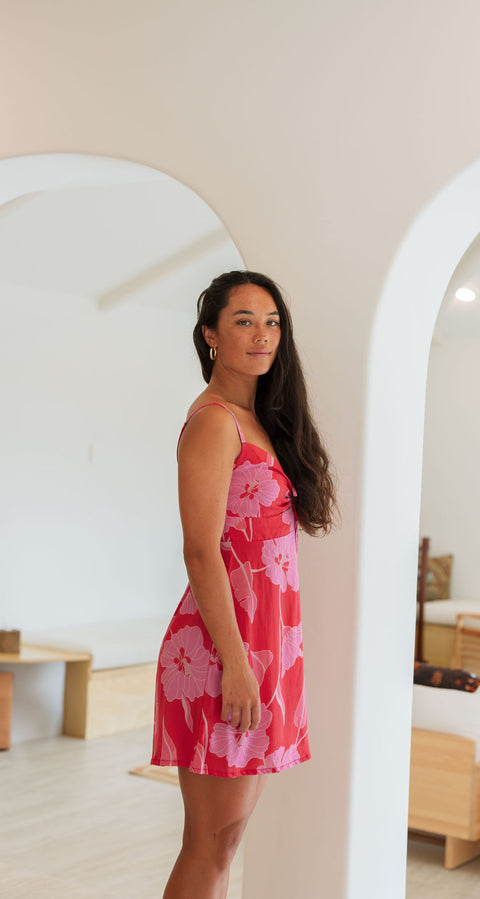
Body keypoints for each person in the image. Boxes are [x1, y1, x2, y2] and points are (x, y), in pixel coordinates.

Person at [151, 270, 337, 899]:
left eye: (272, 322)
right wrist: (236, 663)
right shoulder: (212, 423)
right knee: (211, 842)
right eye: (243, 321)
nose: (262, 335)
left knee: (225, 842)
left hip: (265, 648)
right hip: (223, 651)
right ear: (210, 336)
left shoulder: (257, 420)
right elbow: (201, 552)